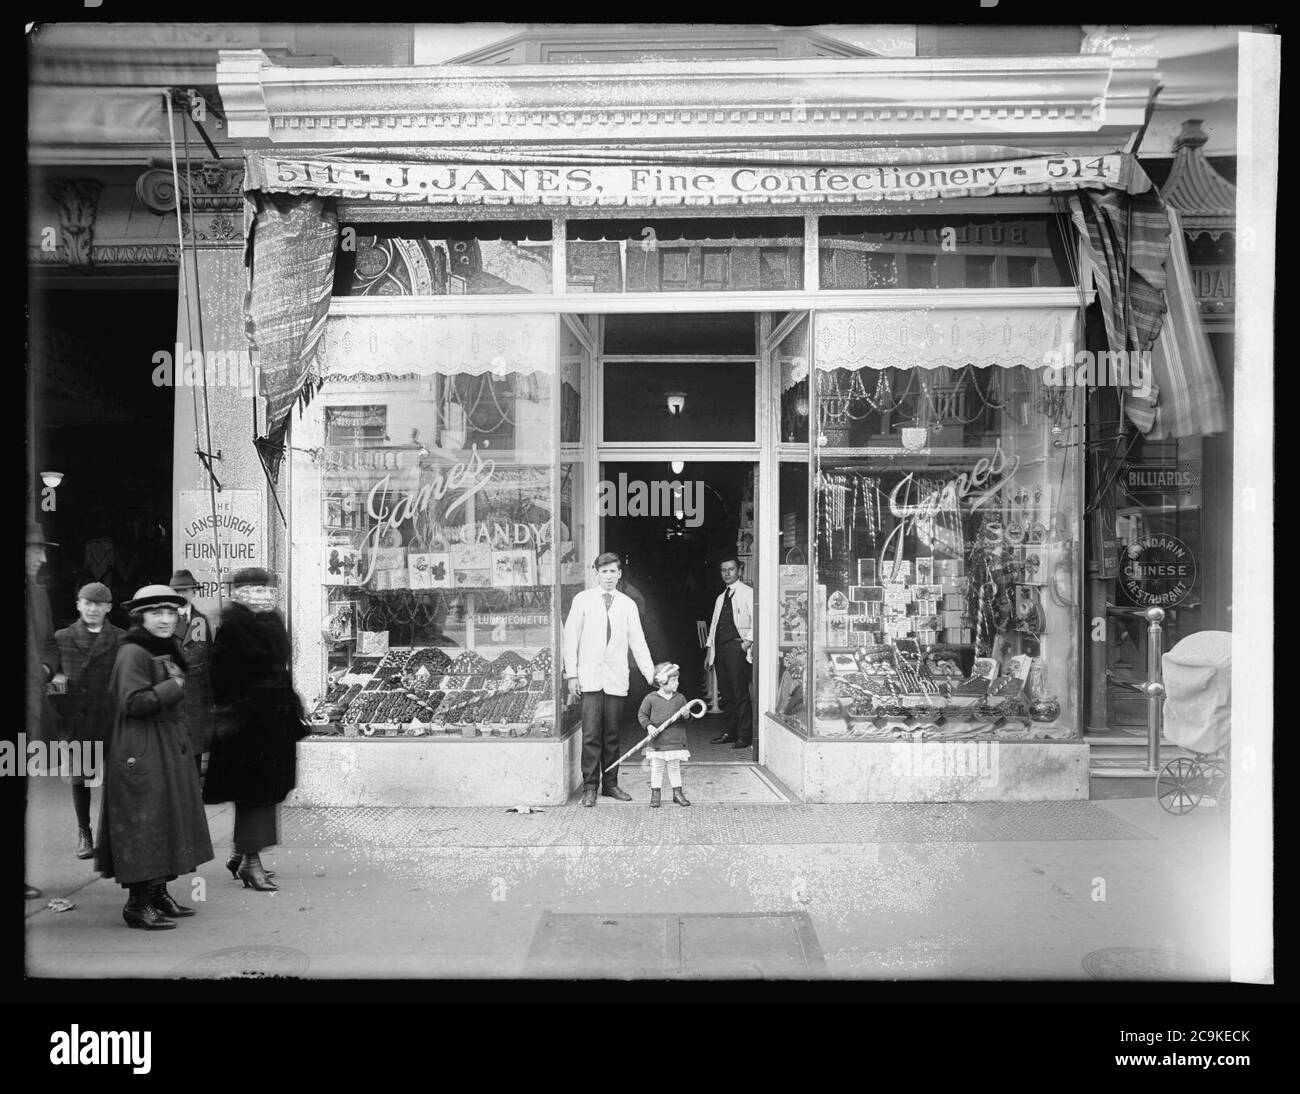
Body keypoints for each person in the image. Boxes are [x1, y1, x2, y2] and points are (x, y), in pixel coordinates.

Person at [95, 585, 214, 930]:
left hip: (165, 744)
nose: (164, 619)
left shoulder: (164, 645)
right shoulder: (133, 651)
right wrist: (173, 686)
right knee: (143, 821)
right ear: (140, 617)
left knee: (166, 818)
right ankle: (137, 903)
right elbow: (132, 703)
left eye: (170, 612)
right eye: (155, 613)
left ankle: (158, 892)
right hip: (142, 747)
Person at [203, 568, 308, 891]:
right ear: (238, 593)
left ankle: (243, 852)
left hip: (272, 721)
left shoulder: (270, 622)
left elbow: (279, 662)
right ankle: (250, 861)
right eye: (251, 590)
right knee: (254, 795)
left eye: (264, 590)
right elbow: (221, 680)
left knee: (268, 793)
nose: (260, 595)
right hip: (248, 725)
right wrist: (238, 711)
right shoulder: (233, 628)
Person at [562, 552, 656, 807]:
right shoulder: (582, 600)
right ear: (597, 574)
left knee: (612, 734)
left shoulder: (627, 604)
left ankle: (611, 784)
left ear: (620, 574)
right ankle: (590, 786)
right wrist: (572, 674)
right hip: (589, 676)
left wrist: (651, 674)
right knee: (591, 733)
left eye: (613, 571)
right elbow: (571, 639)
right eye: (604, 572)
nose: (609, 576)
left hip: (615, 677)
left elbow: (638, 642)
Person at [42, 583, 125, 860]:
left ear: (108, 608)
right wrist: (60, 704)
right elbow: (55, 678)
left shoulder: (121, 638)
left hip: (109, 717)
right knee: (80, 780)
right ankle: (84, 832)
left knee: (115, 779)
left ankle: (111, 834)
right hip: (77, 718)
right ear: (78, 605)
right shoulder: (62, 637)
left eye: (98, 605)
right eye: (87, 603)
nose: (92, 609)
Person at [24, 522, 59, 900]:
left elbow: (49, 642)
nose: (43, 557)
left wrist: (45, 668)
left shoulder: (40, 594)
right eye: (36, 549)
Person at [705, 554, 755, 749]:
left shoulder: (747, 593)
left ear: (739, 570)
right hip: (721, 650)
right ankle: (730, 732)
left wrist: (746, 643)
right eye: (723, 570)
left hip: (737, 649)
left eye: (731, 569)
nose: (727, 573)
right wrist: (710, 651)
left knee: (740, 693)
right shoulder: (720, 597)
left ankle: (744, 736)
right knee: (726, 694)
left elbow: (756, 619)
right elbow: (714, 625)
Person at [168, 569, 214, 778]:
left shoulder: (201, 621)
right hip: (173, 691)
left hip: (197, 692)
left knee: (195, 745)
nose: (181, 594)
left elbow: (210, 656)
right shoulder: (165, 618)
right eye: (177, 590)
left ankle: (194, 793)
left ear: (193, 592)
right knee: (173, 746)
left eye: (185, 590)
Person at [638, 662, 691, 808]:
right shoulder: (650, 698)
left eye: (677, 680)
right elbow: (642, 715)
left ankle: (677, 794)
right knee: (657, 768)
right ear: (662, 681)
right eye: (674, 680)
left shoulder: (680, 698)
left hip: (675, 741)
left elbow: (688, 719)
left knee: (674, 767)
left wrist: (686, 715)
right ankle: (655, 795)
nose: (677, 683)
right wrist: (648, 726)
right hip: (658, 743)